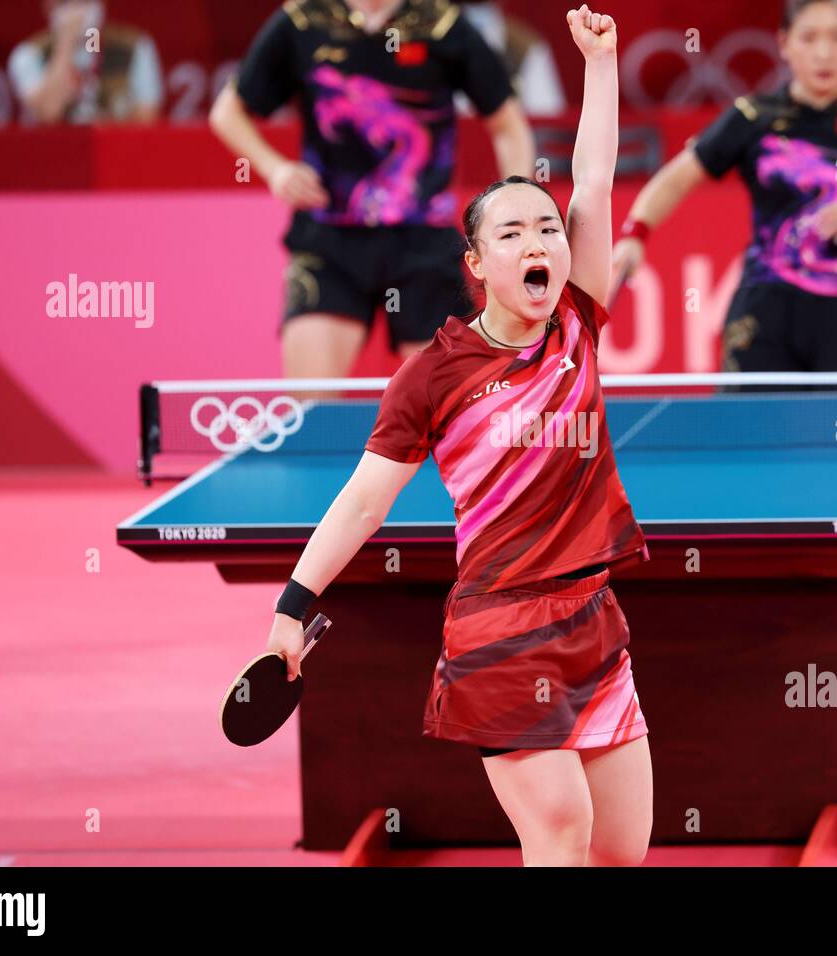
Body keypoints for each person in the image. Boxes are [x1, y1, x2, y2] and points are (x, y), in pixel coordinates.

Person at [264, 6, 652, 867]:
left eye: (545, 228)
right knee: (560, 830)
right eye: (511, 233)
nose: (538, 239)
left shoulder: (578, 324)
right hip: (499, 630)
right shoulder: (432, 375)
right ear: (477, 264)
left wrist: (601, 62)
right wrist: (293, 605)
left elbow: (592, 181)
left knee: (622, 851)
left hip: (594, 617)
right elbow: (365, 499)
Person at [610, 0, 837, 692]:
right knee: (737, 459)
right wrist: (634, 237)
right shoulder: (751, 119)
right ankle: (744, 605)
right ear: (785, 46)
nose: (825, 51)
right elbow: (677, 177)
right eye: (811, 37)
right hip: (766, 313)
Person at [209, 0, 536, 380]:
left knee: (453, 404)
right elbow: (227, 112)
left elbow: (508, 126)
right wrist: (274, 168)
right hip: (328, 240)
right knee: (310, 414)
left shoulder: (441, 24)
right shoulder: (304, 19)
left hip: (423, 242)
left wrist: (515, 204)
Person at [8, 0, 163, 124]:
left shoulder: (135, 47)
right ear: (48, 5)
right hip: (53, 155)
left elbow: (147, 119)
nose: (77, 9)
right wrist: (66, 43)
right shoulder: (28, 55)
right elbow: (48, 112)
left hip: (117, 153)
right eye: (66, 2)